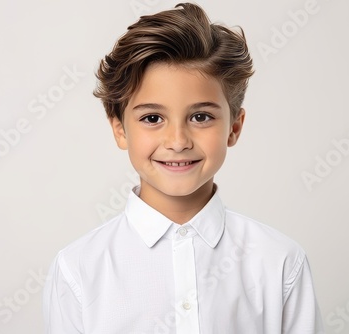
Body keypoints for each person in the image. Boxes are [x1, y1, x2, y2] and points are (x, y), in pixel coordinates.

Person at [43, 3, 324, 333]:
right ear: (120, 129)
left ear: (234, 127)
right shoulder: (78, 270)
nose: (177, 141)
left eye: (201, 117)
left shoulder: (280, 262)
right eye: (152, 118)